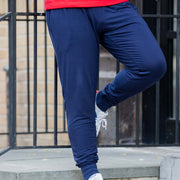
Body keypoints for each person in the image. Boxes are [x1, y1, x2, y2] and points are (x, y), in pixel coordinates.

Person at [45, 0, 167, 179]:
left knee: (152, 64)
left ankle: (102, 101)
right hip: (67, 8)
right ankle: (90, 171)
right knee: (79, 91)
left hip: (115, 5)